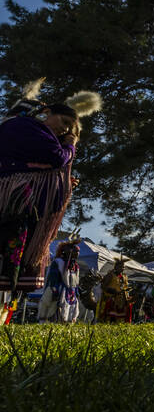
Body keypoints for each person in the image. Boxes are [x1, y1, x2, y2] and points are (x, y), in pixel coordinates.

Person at [0, 83, 100, 323]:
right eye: (64, 123)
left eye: (69, 127)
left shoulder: (21, 128)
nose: (65, 130)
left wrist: (61, 182)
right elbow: (57, 157)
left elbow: (42, 166)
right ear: (45, 114)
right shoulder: (27, 126)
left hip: (15, 207)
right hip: (14, 205)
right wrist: (70, 144)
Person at [37, 235, 82, 323]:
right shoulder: (58, 262)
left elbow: (75, 281)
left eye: (78, 252)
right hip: (59, 290)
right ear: (66, 251)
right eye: (75, 251)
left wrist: (77, 291)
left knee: (69, 315)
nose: (77, 253)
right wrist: (54, 290)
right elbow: (52, 278)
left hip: (71, 293)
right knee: (52, 313)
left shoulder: (76, 266)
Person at [98, 258, 132, 323]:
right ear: (115, 267)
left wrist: (127, 299)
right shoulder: (110, 275)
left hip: (120, 301)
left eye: (123, 267)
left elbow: (125, 289)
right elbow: (103, 286)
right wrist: (110, 290)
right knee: (109, 318)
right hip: (110, 299)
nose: (122, 268)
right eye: (120, 266)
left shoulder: (124, 277)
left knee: (119, 320)